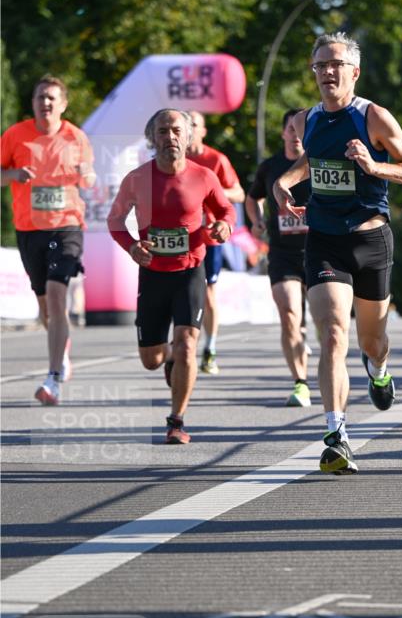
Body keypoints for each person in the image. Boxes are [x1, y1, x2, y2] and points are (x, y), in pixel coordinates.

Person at [274, 31, 402, 474]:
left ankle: (378, 370)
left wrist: (374, 166)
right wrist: (285, 183)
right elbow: (312, 163)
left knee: (370, 340)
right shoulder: (305, 121)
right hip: (324, 240)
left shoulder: (374, 117)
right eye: (320, 65)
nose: (327, 72)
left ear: (354, 72)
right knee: (333, 333)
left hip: (371, 238)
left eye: (336, 64)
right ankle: (336, 435)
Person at [107, 109, 235, 444]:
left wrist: (224, 226)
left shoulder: (204, 176)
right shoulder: (137, 179)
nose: (170, 137)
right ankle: (171, 359)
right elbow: (115, 220)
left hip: (191, 271)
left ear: (189, 135)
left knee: (188, 344)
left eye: (177, 130)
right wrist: (133, 247)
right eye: (163, 131)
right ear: (153, 138)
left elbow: (226, 210)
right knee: (151, 360)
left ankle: (176, 420)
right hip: (153, 275)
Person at [1, 74, 95, 405]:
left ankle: (53, 377)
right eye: (40, 97)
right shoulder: (15, 136)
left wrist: (88, 176)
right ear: (33, 104)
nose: (46, 103)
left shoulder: (76, 137)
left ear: (63, 104)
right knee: (45, 304)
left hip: (66, 225)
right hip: (29, 230)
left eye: (52, 98)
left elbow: (89, 177)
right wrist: (12, 175)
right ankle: (62, 351)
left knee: (57, 296)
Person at [246, 110, 312, 406]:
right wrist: (257, 221)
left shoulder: (317, 162)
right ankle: (300, 382)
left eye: (301, 130)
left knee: (328, 323)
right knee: (289, 316)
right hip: (283, 252)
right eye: (291, 129)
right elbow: (252, 198)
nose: (296, 135)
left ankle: (329, 365)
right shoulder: (270, 166)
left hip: (320, 249)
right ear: (284, 133)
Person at [187, 110, 245, 375]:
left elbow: (240, 194)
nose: (188, 129)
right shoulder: (173, 159)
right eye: (184, 124)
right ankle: (183, 346)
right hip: (179, 237)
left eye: (193, 124)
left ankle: (209, 348)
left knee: (208, 293)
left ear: (203, 131)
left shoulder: (215, 159)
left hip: (208, 236)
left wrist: (212, 191)